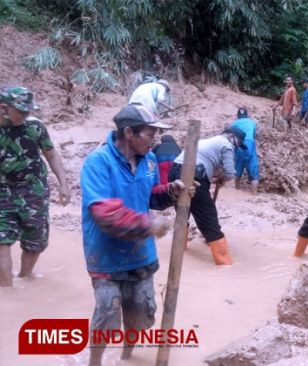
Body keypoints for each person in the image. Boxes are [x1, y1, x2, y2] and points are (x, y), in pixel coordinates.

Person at [80, 104, 192, 365]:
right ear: (128, 133)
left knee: (140, 316)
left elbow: (150, 197)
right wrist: (147, 225)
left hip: (141, 255)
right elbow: (104, 213)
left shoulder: (150, 160)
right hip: (106, 256)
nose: (155, 140)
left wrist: (170, 193)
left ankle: (126, 357)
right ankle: (94, 362)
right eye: (150, 134)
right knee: (107, 316)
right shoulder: (98, 162)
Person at [0, 86, 70, 287]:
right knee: (2, 242)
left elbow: (51, 155)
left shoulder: (35, 127)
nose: (26, 114)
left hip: (33, 190)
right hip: (2, 192)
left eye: (28, 110)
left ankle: (24, 277)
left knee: (35, 241)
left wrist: (63, 184)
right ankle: (8, 293)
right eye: (21, 111)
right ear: (4, 108)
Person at [169, 126, 247, 265]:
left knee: (182, 213)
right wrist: (223, 178)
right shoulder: (227, 145)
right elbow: (230, 173)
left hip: (175, 171)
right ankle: (225, 263)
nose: (237, 147)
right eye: (238, 143)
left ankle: (180, 250)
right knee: (209, 219)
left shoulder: (208, 142)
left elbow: (209, 163)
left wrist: (217, 174)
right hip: (195, 175)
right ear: (231, 137)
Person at [231, 108, 259, 194]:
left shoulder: (234, 123)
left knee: (238, 168)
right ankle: (254, 193)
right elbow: (253, 135)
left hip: (240, 144)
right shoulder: (252, 122)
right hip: (250, 144)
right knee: (253, 167)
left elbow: (232, 137)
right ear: (247, 115)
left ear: (238, 116)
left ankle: (237, 190)